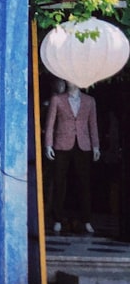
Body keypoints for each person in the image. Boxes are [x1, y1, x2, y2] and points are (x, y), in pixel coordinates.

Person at [44, 81, 101, 234]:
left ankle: (86, 219)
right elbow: (50, 123)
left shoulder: (89, 101)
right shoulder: (58, 99)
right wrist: (48, 144)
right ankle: (57, 219)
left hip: (83, 144)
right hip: (62, 144)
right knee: (59, 182)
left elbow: (93, 124)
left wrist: (96, 146)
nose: (70, 82)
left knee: (84, 183)